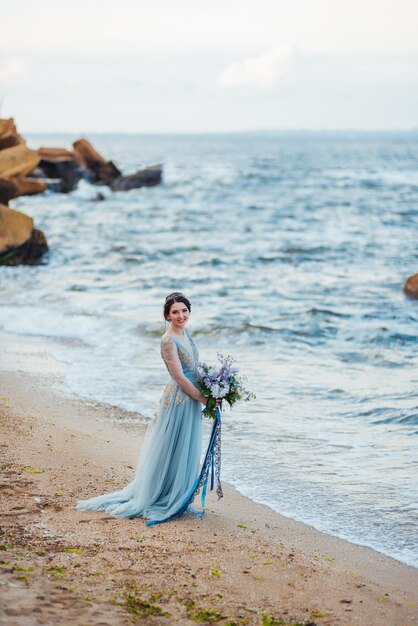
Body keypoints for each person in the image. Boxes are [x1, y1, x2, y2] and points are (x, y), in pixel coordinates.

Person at [76, 292, 216, 525]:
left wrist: (213, 386)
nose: (181, 316)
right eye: (175, 312)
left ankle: (178, 494)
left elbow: (194, 367)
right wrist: (203, 399)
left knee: (185, 447)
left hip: (192, 396)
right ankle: (163, 496)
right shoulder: (168, 340)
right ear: (167, 315)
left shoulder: (186, 333)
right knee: (173, 447)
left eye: (184, 310)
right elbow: (179, 377)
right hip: (181, 400)